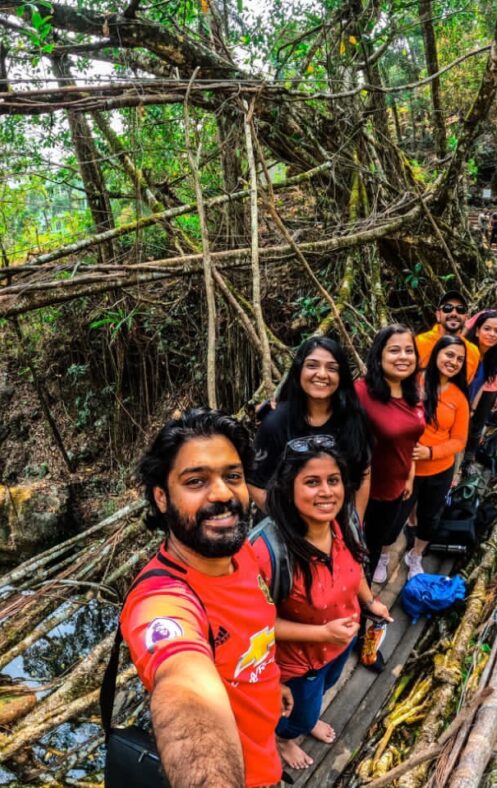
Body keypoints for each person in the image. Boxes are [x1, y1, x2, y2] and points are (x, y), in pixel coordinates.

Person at [120, 408, 290, 788]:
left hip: (265, 745)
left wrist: (269, 682)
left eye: (233, 476)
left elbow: (249, 631)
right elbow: (184, 684)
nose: (222, 494)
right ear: (162, 498)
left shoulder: (239, 551)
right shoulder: (161, 601)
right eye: (196, 481)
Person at [251, 436, 392, 770]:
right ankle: (285, 739)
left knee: (324, 689)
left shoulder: (343, 521)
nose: (327, 492)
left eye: (333, 480)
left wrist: (369, 602)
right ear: (288, 488)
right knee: (297, 715)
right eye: (312, 482)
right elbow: (256, 624)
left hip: (339, 644)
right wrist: (323, 634)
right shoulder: (265, 551)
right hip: (298, 664)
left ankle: (307, 718)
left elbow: (353, 567)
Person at [247, 336, 371, 523]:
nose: (322, 374)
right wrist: (289, 524)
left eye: (331, 368)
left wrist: (357, 525)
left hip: (335, 523)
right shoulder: (276, 422)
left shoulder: (352, 419)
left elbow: (363, 473)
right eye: (312, 365)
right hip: (284, 527)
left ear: (341, 376)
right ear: (299, 371)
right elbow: (254, 482)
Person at [355, 325, 425, 583]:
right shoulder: (361, 392)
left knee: (377, 548)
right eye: (394, 350)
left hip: (397, 490)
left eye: (409, 350)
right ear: (379, 355)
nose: (403, 356)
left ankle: (365, 602)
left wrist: (410, 474)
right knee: (360, 553)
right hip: (366, 496)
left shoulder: (413, 392)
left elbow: (412, 439)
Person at [401, 337, 470, 578]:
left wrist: (431, 452)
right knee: (395, 515)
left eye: (459, 359)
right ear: (437, 354)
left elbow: (459, 440)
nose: (453, 362)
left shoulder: (459, 398)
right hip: (405, 467)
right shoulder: (412, 381)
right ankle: (385, 554)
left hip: (439, 469)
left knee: (430, 517)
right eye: (449, 355)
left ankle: (416, 556)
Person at [415, 290, 479, 383]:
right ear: (438, 315)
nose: (454, 313)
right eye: (447, 308)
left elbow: (466, 384)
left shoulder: (473, 351)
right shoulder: (419, 342)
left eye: (460, 309)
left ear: (466, 318)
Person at [463, 310, 497, 465]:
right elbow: (466, 331)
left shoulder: (490, 358)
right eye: (487, 329)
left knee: (478, 423)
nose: (492, 334)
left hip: (490, 380)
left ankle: (467, 459)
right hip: (472, 377)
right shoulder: (487, 315)